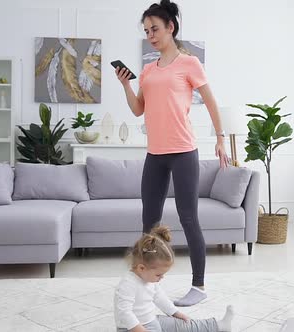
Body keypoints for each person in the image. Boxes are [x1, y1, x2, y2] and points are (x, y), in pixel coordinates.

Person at [114, 0, 229, 307]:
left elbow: (212, 102)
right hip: (156, 154)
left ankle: (199, 286)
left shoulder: (189, 63)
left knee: (188, 217)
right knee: (148, 221)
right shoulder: (148, 70)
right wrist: (126, 85)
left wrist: (219, 138)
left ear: (170, 28)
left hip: (183, 152)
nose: (150, 35)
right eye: (146, 30)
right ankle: (145, 283)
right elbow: (139, 110)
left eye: (155, 28)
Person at [114, 226, 234, 332]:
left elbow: (160, 298)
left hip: (152, 320)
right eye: (158, 275)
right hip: (131, 328)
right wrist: (140, 329)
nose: (161, 278)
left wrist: (176, 313)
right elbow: (124, 313)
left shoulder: (150, 280)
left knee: (185, 324)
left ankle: (219, 326)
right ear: (141, 268)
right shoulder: (128, 284)